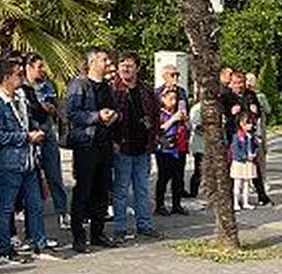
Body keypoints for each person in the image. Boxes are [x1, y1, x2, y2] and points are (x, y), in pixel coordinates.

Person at [0, 54, 52, 263]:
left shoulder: (21, 98)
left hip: (27, 161)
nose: (22, 77)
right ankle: (5, 250)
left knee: (35, 205)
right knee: (6, 207)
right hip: (7, 164)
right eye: (18, 74)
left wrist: (35, 132)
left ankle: (39, 245)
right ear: (6, 78)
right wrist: (25, 137)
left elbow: (28, 122)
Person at [66, 47, 119, 253]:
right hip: (86, 144)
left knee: (102, 191)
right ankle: (78, 237)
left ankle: (98, 233)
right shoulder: (79, 85)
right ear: (92, 62)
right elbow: (72, 114)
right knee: (83, 190)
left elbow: (117, 110)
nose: (108, 64)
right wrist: (97, 116)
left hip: (104, 144)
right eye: (104, 60)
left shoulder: (107, 87)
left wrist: (114, 116)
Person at [112, 53, 161, 240]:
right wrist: (113, 142)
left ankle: (144, 225)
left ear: (137, 68)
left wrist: (153, 139)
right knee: (121, 190)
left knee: (142, 189)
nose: (125, 68)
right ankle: (120, 228)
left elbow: (155, 117)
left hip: (143, 148)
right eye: (122, 65)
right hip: (122, 147)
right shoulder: (113, 90)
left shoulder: (146, 91)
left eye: (130, 65)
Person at [24, 55, 69, 230]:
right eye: (39, 66)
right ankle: (30, 215)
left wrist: (50, 107)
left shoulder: (46, 85)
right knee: (31, 176)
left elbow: (53, 105)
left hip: (47, 130)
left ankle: (62, 211)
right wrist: (39, 106)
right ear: (29, 67)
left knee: (54, 174)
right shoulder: (22, 87)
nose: (42, 70)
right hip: (31, 132)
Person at [155, 85, 190, 217]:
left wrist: (186, 121)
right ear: (163, 99)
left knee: (178, 177)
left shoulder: (179, 113)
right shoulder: (160, 113)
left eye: (175, 99)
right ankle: (160, 205)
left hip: (180, 148)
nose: (173, 102)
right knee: (163, 177)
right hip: (165, 149)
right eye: (170, 99)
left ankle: (177, 204)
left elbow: (188, 128)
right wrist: (173, 119)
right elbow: (160, 129)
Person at [245, 72, 274, 205]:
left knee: (259, 158)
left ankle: (262, 183)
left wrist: (259, 107)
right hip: (246, 131)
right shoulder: (243, 95)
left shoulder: (258, 96)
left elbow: (267, 110)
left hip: (258, 130)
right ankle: (252, 184)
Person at [230, 113, 259, 210]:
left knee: (247, 183)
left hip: (248, 162)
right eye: (248, 123)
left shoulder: (251, 136)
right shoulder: (237, 136)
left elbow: (255, 147)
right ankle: (236, 203)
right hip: (239, 162)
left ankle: (246, 202)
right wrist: (245, 156)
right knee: (237, 183)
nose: (250, 125)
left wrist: (254, 153)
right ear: (241, 124)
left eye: (251, 123)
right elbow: (235, 150)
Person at [187, 88, 205, 198]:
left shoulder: (215, 108)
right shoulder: (196, 109)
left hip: (210, 145)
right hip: (199, 145)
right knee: (199, 169)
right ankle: (193, 192)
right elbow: (196, 127)